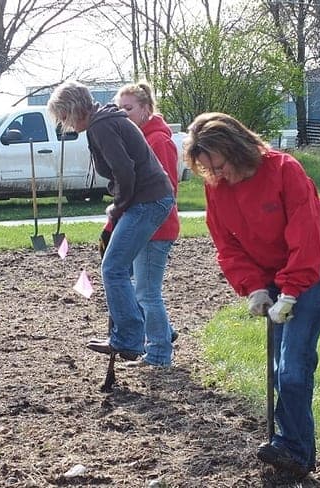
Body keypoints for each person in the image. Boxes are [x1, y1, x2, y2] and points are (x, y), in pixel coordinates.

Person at [183, 112, 320, 480]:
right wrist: (254, 286)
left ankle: (295, 452)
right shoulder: (217, 185)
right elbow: (225, 243)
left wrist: (290, 291)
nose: (218, 175)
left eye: (221, 166)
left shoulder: (284, 170)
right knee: (278, 367)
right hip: (275, 276)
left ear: (238, 149)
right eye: (210, 169)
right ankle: (291, 448)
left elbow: (306, 235)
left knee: (292, 366)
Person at [47, 81, 175, 362]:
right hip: (147, 199)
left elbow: (124, 170)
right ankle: (146, 332)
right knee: (120, 269)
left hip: (147, 200)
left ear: (74, 109)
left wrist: (119, 207)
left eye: (64, 117)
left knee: (114, 268)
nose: (64, 124)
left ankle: (129, 337)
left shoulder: (101, 125)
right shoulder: (105, 120)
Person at [111, 81, 180, 368]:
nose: (123, 114)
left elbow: (165, 190)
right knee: (141, 289)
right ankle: (163, 333)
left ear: (146, 109)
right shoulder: (138, 139)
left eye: (129, 108)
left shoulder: (158, 142)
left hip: (155, 228)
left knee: (147, 293)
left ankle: (160, 352)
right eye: (120, 109)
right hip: (141, 225)